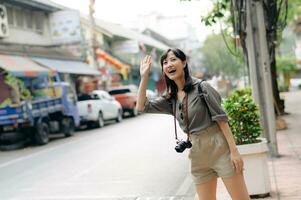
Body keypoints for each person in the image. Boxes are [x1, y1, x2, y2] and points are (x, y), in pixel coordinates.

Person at [136, 48, 250, 200]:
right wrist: (144, 77)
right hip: (196, 153)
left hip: (220, 147)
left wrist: (234, 152)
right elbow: (141, 107)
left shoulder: (202, 87)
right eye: (165, 62)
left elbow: (221, 119)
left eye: (173, 59)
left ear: (183, 63)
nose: (169, 64)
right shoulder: (171, 98)